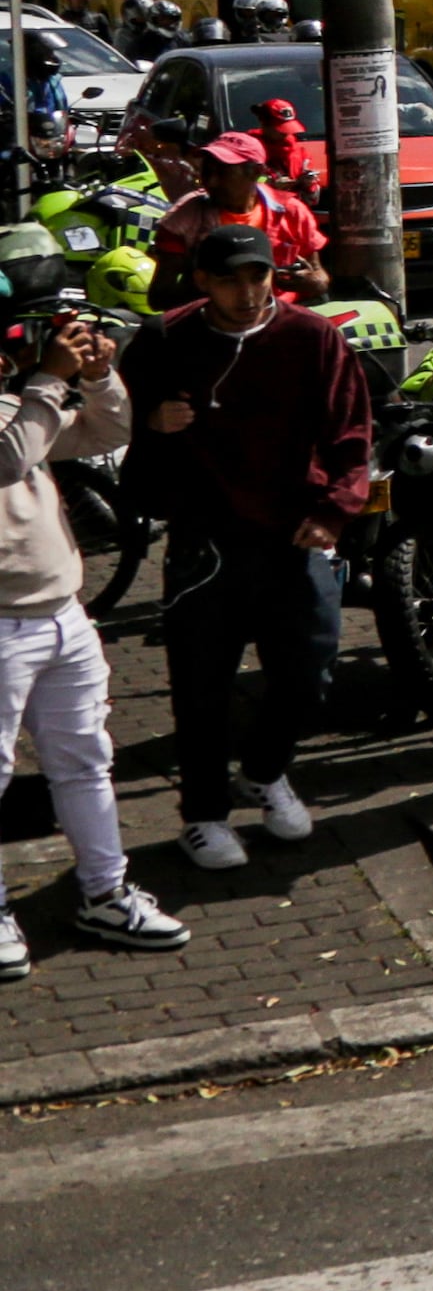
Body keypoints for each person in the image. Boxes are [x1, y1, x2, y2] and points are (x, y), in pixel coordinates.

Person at [120, 220, 370, 868]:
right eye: (228, 278)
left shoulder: (310, 336)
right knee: (201, 684)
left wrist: (334, 513)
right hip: (205, 542)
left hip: (292, 534)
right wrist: (151, 422)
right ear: (201, 280)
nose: (246, 290)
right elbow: (115, 423)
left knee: (310, 666)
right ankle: (203, 815)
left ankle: (264, 770)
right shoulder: (165, 339)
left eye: (257, 275)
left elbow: (351, 433)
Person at [0, 303, 189, 973]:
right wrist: (48, 381)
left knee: (85, 760)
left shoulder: (15, 404)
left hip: (62, 616)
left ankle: (105, 893)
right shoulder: (23, 408)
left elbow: (108, 428)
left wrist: (101, 374)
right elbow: (8, 459)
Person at [149, 132, 323, 307]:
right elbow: (159, 296)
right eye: (207, 171)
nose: (211, 182)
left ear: (256, 172)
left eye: (222, 173)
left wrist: (314, 282)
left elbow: (319, 276)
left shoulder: (292, 211)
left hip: (281, 319)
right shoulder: (184, 217)